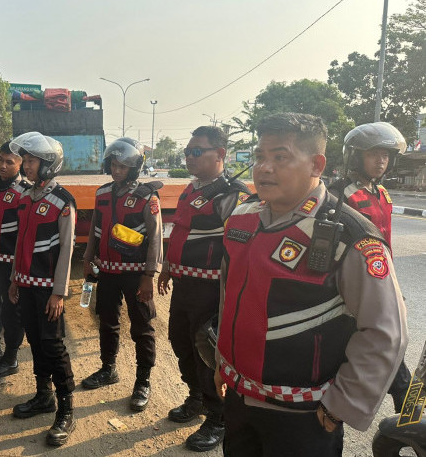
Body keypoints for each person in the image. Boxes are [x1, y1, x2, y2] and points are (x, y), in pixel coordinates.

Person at [214, 112, 408, 456]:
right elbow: (228, 297)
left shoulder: (349, 234)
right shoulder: (241, 219)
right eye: (260, 156)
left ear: (316, 164)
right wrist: (221, 362)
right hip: (239, 400)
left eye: (280, 157)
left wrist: (341, 405)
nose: (265, 167)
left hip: (305, 416)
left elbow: (385, 331)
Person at [157, 126, 250, 451]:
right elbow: (179, 230)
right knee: (180, 343)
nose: (189, 157)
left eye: (197, 152)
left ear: (220, 155)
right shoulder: (192, 188)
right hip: (184, 286)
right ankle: (195, 398)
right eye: (188, 152)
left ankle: (218, 418)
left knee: (207, 354)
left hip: (212, 292)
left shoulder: (232, 196)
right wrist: (168, 267)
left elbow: (239, 252)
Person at [332, 121, 410, 412]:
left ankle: (407, 403)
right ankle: (408, 403)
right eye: (373, 154)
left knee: (387, 340)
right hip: (353, 286)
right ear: (355, 156)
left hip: (381, 278)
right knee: (386, 341)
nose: (381, 161)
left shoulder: (382, 194)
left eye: (386, 156)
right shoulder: (340, 195)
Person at [81, 137, 163, 412]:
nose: (117, 171)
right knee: (107, 322)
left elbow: (155, 238)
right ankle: (108, 369)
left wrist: (149, 275)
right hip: (106, 273)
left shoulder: (146, 197)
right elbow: (95, 228)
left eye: (123, 167)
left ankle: (143, 381)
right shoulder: (102, 193)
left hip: (135, 274)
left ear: (135, 168)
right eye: (114, 165)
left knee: (142, 327)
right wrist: (87, 258)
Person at [7, 131, 77, 447]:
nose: (27, 166)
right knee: (34, 340)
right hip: (26, 284)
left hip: (49, 288)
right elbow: (20, 242)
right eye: (26, 160)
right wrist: (14, 279)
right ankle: (43, 395)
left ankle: (66, 409)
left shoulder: (63, 201)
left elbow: (67, 250)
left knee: (53, 345)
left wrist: (59, 292)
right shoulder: (26, 197)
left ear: (48, 163)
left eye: (32, 160)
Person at [0, 142, 31, 380]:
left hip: (11, 262)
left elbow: (26, 230)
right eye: (0, 159)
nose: (2, 165)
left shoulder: (25, 190)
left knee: (12, 309)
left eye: (9, 162)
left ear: (20, 165)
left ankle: (10, 358)